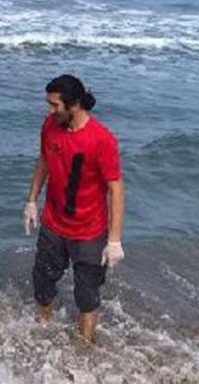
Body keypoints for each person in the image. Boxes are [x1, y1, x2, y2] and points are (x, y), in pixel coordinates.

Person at [23, 74, 125, 342]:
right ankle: (42, 334)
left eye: (55, 105)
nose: (50, 110)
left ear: (74, 104)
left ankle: (84, 348)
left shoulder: (102, 139)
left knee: (87, 297)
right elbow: (43, 160)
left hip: (90, 231)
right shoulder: (49, 125)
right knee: (43, 285)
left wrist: (113, 240)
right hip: (53, 224)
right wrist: (32, 200)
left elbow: (116, 189)